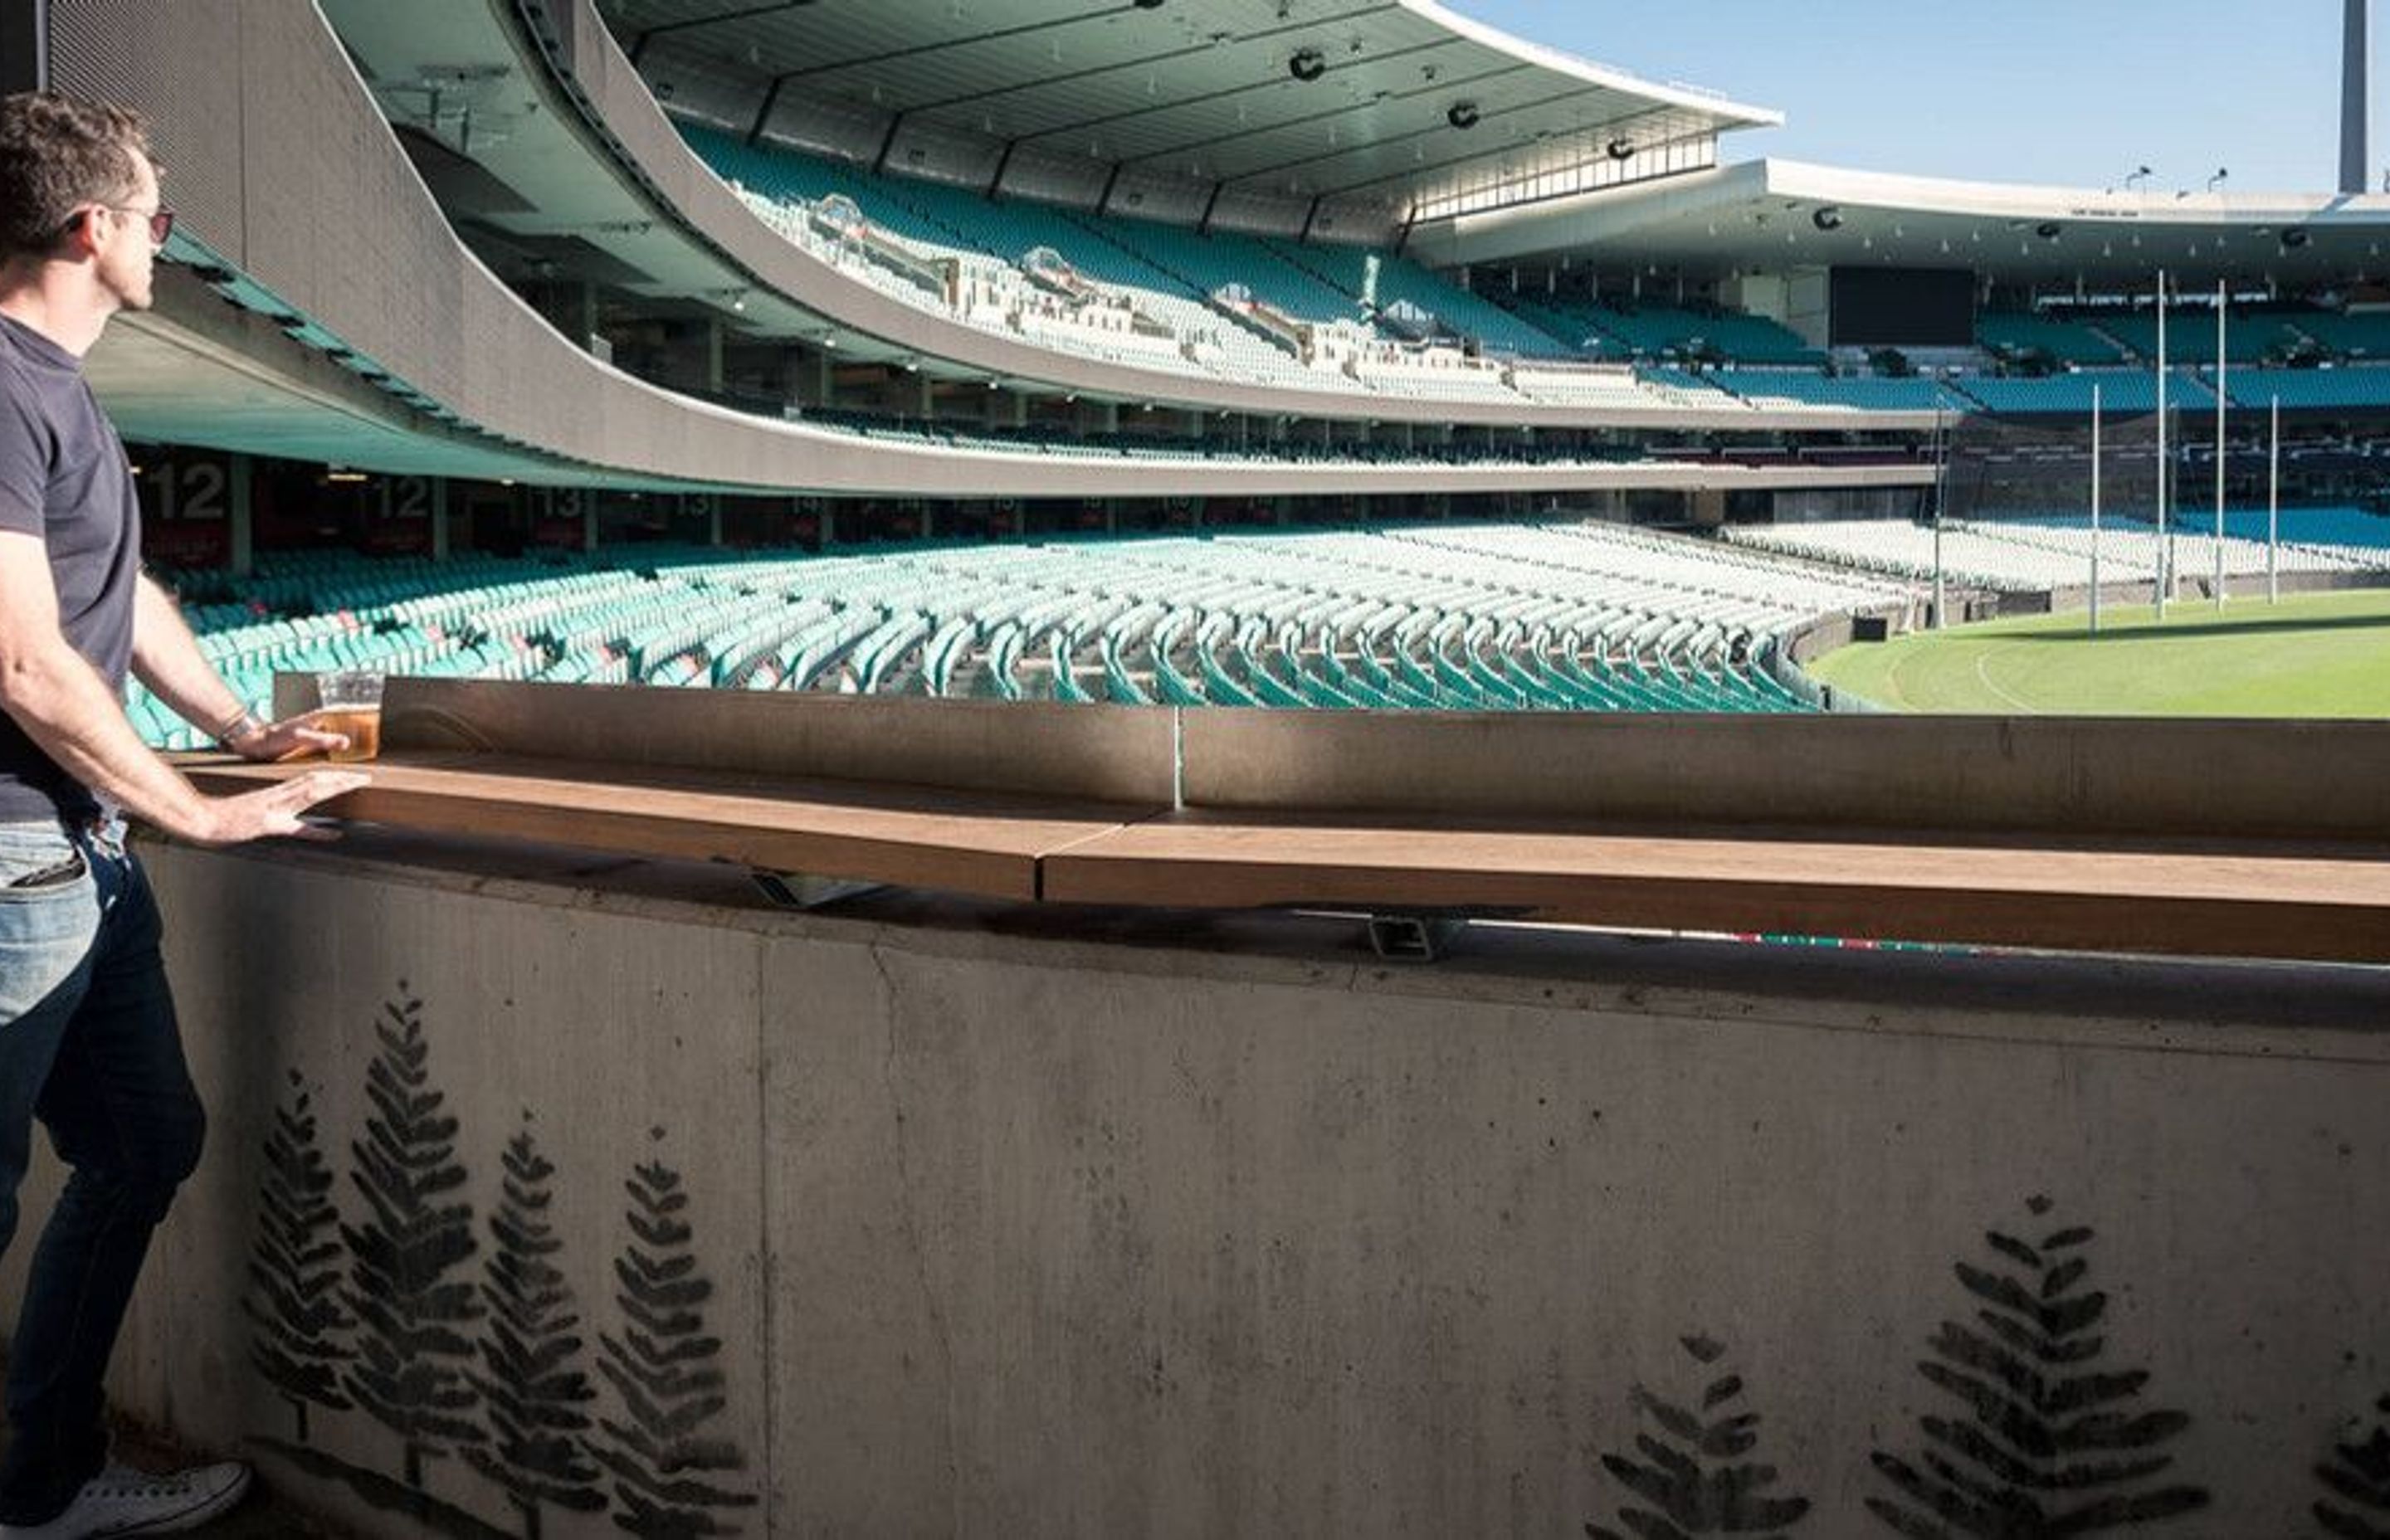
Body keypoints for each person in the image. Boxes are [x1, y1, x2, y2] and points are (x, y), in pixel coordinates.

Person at [0, 90, 368, 1537]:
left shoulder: (63, 387)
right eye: (158, 215)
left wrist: (235, 731)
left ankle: (38, 1484)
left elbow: (115, 596)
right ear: (92, 229)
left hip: (77, 856)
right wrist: (199, 816)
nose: (170, 236)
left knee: (145, 1140)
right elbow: (23, 655)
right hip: (19, 854)